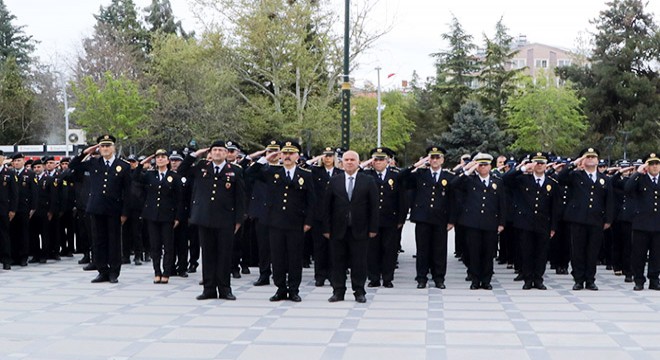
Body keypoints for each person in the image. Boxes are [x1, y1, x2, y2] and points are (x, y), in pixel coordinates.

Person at [178, 141, 246, 300]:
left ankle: (224, 289)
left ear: (226, 153)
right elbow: (181, 171)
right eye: (214, 150)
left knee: (224, 255)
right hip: (204, 218)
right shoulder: (202, 166)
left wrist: (238, 220)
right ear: (210, 152)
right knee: (207, 255)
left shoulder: (234, 170)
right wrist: (194, 154)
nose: (217, 153)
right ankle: (208, 289)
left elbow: (240, 198)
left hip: (225, 219)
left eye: (221, 150)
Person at [251, 141, 315, 302]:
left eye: (291, 153)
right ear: (280, 155)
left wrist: (308, 221)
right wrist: (265, 158)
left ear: (297, 156)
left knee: (294, 257)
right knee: (277, 257)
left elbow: (311, 201)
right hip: (275, 222)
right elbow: (250, 173)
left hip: (296, 223)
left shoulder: (305, 174)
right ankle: (280, 288)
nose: (287, 156)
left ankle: (294, 289)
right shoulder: (272, 171)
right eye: (284, 153)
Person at [69, 135, 132, 283]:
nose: (105, 149)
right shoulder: (93, 162)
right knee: (98, 241)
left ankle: (113, 272)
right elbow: (73, 165)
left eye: (108, 146)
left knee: (114, 242)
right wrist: (85, 152)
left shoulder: (123, 165)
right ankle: (102, 270)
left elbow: (127, 192)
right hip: (96, 208)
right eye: (102, 146)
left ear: (113, 148)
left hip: (114, 209)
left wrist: (125, 212)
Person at [323, 150, 378, 303]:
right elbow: (327, 207)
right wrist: (326, 229)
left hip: (360, 229)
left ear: (358, 162)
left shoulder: (367, 181)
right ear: (341, 162)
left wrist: (373, 228)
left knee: (359, 262)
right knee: (337, 262)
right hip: (338, 229)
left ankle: (359, 291)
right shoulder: (335, 180)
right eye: (346, 159)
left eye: (352, 160)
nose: (349, 162)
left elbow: (374, 207)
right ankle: (338, 291)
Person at [556, 148, 614, 291]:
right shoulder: (576, 176)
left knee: (592, 251)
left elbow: (609, 200)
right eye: (587, 157)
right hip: (578, 219)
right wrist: (574, 163)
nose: (590, 159)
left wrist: (608, 219)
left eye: (593, 157)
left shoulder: (604, 179)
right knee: (577, 251)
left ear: (598, 160)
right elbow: (560, 178)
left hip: (596, 219)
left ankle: (590, 279)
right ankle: (578, 279)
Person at [502, 152, 558, 290]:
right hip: (525, 223)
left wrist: (553, 226)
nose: (539, 165)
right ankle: (527, 279)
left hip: (543, 223)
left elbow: (555, 207)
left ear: (546, 165)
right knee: (526, 252)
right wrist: (522, 168)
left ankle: (538, 279)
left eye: (542, 163)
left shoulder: (552, 183)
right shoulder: (522, 179)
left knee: (541, 253)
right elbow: (505, 179)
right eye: (536, 162)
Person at [400, 146, 454, 289]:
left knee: (440, 250)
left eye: (438, 157)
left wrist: (451, 220)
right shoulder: (420, 174)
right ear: (428, 159)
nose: (435, 160)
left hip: (440, 219)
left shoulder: (448, 176)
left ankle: (439, 278)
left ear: (442, 160)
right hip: (423, 218)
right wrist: (416, 165)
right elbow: (401, 177)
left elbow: (453, 200)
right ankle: (421, 278)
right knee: (422, 249)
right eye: (432, 157)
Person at [452, 152, 505, 290]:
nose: (482, 167)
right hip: (473, 222)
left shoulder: (497, 182)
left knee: (488, 253)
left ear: (490, 166)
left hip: (490, 222)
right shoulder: (469, 180)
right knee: (473, 252)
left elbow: (502, 204)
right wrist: (468, 170)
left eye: (485, 165)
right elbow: (453, 184)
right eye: (480, 165)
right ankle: (475, 279)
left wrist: (501, 222)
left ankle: (486, 280)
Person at [133, 149, 182, 284]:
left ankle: (166, 272)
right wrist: (142, 164)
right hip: (152, 215)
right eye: (158, 157)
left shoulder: (174, 176)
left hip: (168, 215)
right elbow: (135, 177)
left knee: (168, 245)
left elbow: (179, 199)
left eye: (163, 157)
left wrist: (178, 217)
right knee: (155, 245)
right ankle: (157, 272)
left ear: (168, 160)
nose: (160, 159)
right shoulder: (150, 175)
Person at [361, 147, 407, 288]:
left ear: (387, 161)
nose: (378, 162)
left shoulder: (396, 175)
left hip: (390, 218)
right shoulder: (366, 175)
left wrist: (401, 219)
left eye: (381, 160)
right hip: (371, 219)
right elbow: (352, 170)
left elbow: (402, 199)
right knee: (372, 250)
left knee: (390, 250)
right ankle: (373, 278)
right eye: (376, 160)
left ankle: (387, 278)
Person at [308, 147, 344, 286]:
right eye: (325, 156)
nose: (327, 158)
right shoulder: (315, 171)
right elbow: (302, 165)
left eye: (330, 156)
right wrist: (316, 158)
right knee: (319, 247)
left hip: (336, 215)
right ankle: (320, 275)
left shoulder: (339, 172)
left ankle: (333, 274)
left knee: (334, 248)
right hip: (319, 215)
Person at [624, 153, 660, 290]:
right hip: (642, 223)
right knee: (639, 254)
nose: (655, 166)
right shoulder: (640, 179)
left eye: (657, 163)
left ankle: (654, 279)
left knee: (657, 255)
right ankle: (639, 280)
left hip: (658, 223)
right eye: (651, 164)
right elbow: (627, 188)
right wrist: (637, 173)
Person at [10, 153, 36, 267]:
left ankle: (23, 257)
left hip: (24, 208)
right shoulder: (10, 173)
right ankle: (14, 256)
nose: (16, 163)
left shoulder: (29, 174)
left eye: (19, 160)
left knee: (23, 233)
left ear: (23, 161)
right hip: (12, 208)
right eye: (15, 161)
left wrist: (33, 208)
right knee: (13, 233)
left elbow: (34, 193)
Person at [0, 150, 18, 270]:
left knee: (4, 234)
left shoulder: (9, 173)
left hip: (4, 209)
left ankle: (6, 260)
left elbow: (14, 193)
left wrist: (12, 210)